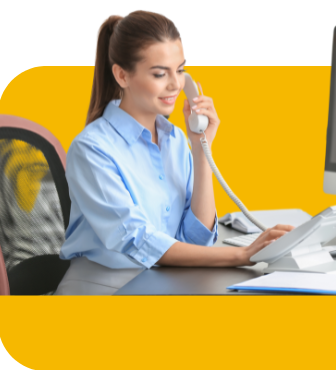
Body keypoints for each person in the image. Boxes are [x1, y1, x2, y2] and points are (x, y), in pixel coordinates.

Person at [55, 10, 293, 294]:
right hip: (104, 287)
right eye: (159, 73)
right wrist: (242, 255)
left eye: (180, 70)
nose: (175, 85)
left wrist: (201, 146)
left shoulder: (176, 140)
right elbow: (137, 240)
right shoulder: (91, 149)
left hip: (164, 280)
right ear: (122, 75)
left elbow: (196, 240)